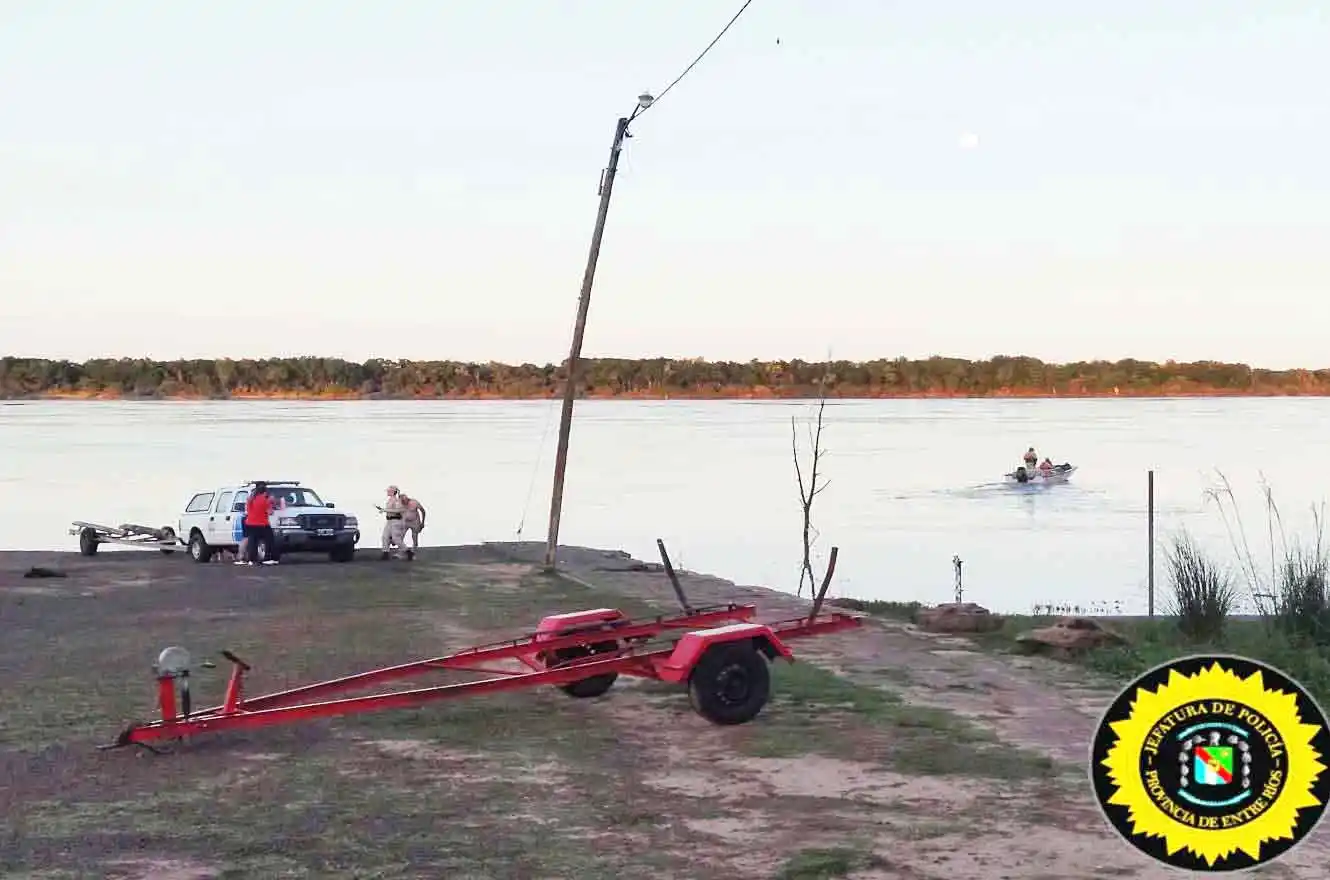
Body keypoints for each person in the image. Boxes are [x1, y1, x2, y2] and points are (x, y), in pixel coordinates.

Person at [241, 481, 278, 566]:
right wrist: (273, 503)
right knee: (269, 541)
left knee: (253, 542)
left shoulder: (251, 498)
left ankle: (251, 560)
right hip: (262, 523)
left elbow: (247, 510)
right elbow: (270, 512)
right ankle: (270, 558)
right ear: (265, 490)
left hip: (250, 523)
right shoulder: (266, 499)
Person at [379, 485, 409, 560]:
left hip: (396, 521)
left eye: (389, 491)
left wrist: (385, 510)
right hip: (389, 521)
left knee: (396, 538)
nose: (387, 492)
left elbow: (399, 510)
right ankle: (385, 553)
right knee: (384, 537)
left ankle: (408, 552)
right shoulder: (390, 500)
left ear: (393, 492)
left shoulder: (396, 500)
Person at [400, 492, 426, 560]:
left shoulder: (414, 502)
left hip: (415, 522)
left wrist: (422, 523)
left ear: (407, 499)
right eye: (402, 501)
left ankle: (413, 553)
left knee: (414, 538)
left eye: (404, 501)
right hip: (406, 522)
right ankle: (403, 552)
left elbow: (423, 511)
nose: (403, 503)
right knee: (400, 536)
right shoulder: (400, 504)